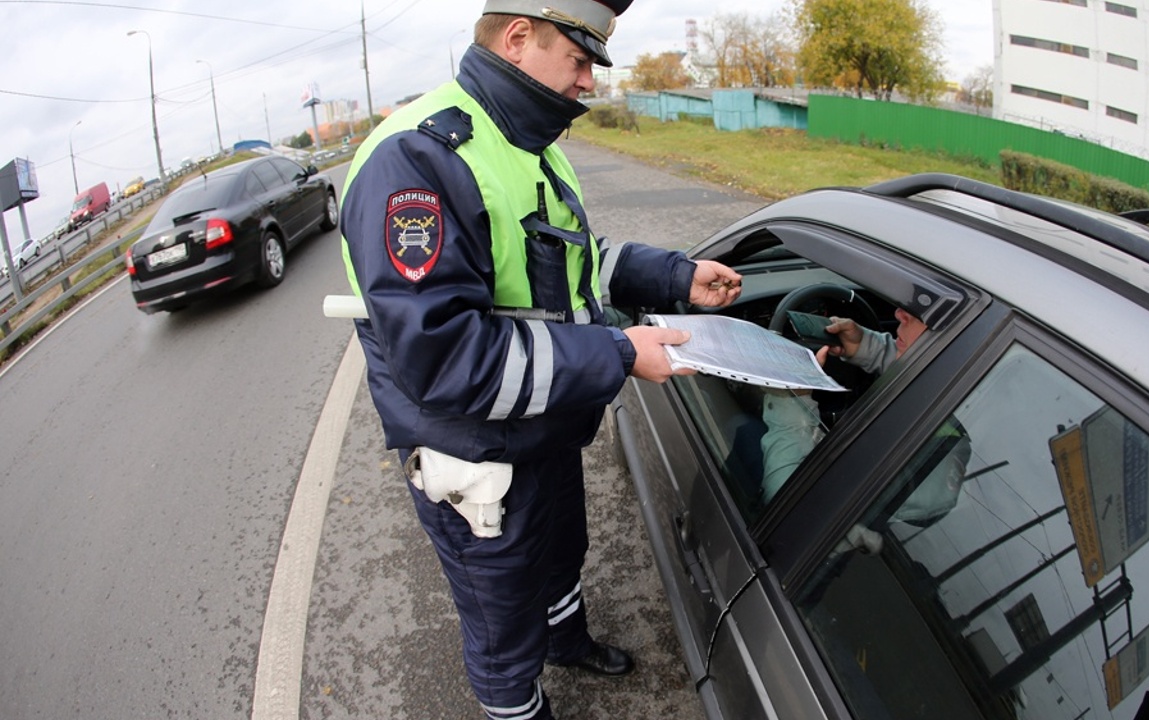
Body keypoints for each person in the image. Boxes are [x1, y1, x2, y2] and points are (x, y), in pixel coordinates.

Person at [337, 2, 742, 719]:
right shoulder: (419, 159)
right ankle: (522, 705)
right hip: (477, 453)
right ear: (519, 40)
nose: (589, 81)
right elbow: (444, 359)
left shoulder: (524, 140)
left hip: (542, 424)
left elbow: (571, 263)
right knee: (502, 625)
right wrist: (618, 352)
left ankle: (568, 639)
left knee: (560, 553)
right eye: (580, 61)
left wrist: (676, 276)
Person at [759, 308, 971, 530]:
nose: (900, 314)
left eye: (923, 313)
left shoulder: (932, 470)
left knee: (741, 429)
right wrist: (866, 346)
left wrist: (789, 400)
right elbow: (931, 363)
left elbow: (791, 515)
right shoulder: (964, 381)